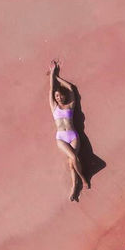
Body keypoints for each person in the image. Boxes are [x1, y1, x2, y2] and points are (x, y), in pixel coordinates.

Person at [48, 60, 89, 200]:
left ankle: (74, 187)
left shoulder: (70, 105)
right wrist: (52, 74)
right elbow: (51, 90)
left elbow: (71, 88)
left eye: (60, 95)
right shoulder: (54, 107)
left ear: (64, 96)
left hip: (73, 136)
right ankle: (83, 180)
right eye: (56, 96)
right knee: (73, 157)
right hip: (61, 137)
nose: (58, 97)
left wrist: (58, 78)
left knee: (72, 163)